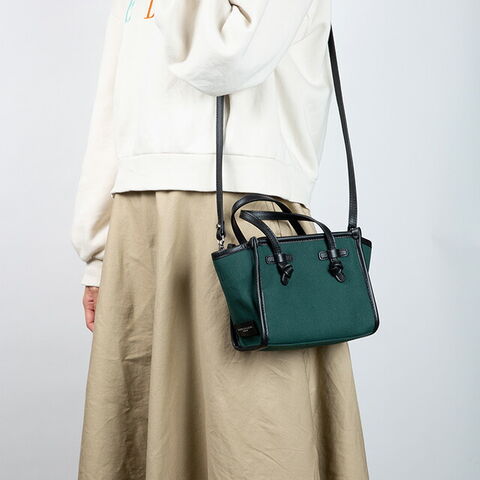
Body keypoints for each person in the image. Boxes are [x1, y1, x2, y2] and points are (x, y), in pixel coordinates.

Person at [71, 0, 370, 478]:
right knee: (147, 428)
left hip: (244, 227)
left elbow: (224, 59)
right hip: (139, 228)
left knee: (251, 441)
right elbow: (113, 114)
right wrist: (99, 253)